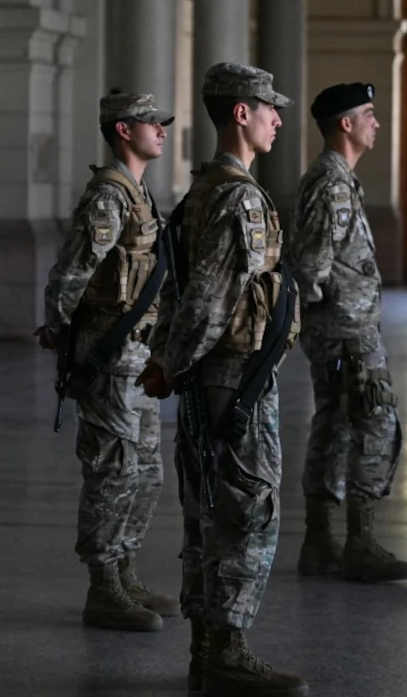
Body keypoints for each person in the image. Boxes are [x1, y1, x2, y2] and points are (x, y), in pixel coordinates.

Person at [137, 63, 307, 696]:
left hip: (212, 374)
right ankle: (228, 653)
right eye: (268, 109)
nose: (277, 120)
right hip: (233, 375)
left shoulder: (201, 191)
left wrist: (172, 361)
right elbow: (208, 296)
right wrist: (170, 362)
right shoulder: (237, 196)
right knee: (246, 512)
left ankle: (207, 650)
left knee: (207, 511)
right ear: (241, 114)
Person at [35, 92, 180, 632]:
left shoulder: (139, 192)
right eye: (151, 123)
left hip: (137, 354)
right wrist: (58, 328)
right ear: (123, 130)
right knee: (112, 473)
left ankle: (126, 571)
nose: (161, 131)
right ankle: (103, 587)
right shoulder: (109, 195)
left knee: (146, 473)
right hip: (110, 353)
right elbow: (73, 270)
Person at [289, 82, 407, 583]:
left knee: (336, 425)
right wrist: (331, 320)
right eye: (368, 113)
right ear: (346, 124)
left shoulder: (335, 179)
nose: (376, 122)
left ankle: (321, 542)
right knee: (374, 423)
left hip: (340, 328)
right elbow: (312, 266)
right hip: (346, 332)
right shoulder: (332, 184)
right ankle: (359, 543)